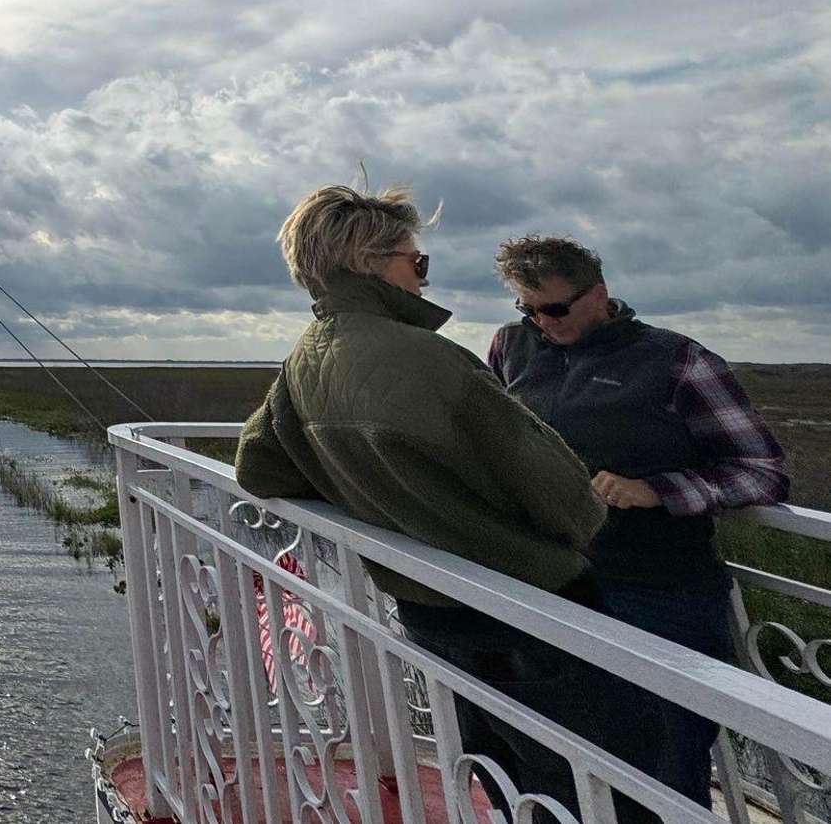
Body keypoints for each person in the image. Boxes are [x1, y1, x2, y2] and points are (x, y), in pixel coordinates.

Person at [232, 184, 662, 824]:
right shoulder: (435, 361)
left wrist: (370, 489)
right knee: (610, 787)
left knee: (511, 778)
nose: (423, 278)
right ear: (369, 263)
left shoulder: (304, 360)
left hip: (428, 607)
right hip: (529, 605)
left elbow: (256, 467)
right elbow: (574, 508)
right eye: (417, 262)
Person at [490, 235, 790, 807]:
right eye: (528, 309)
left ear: (599, 294)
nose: (542, 322)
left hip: (661, 594)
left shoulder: (678, 361)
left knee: (666, 760)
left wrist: (660, 490)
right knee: (564, 753)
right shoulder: (512, 348)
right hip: (554, 582)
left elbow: (762, 471)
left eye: (555, 308)